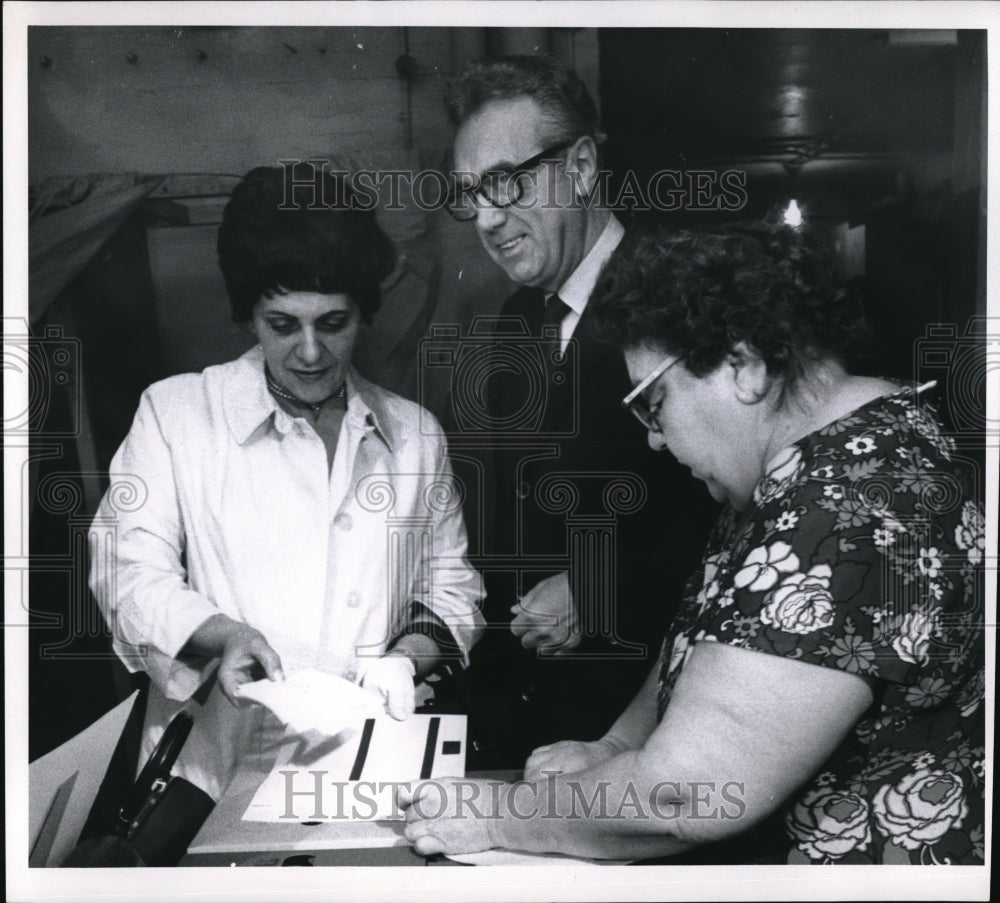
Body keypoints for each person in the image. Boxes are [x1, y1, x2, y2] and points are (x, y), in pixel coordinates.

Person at [399, 223, 986, 865]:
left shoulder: (848, 507)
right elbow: (712, 645)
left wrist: (496, 815)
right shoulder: (806, 462)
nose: (654, 439)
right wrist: (617, 749)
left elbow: (689, 795)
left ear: (744, 366)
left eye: (655, 402)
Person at [90, 166, 484, 802]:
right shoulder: (177, 415)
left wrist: (405, 657)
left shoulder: (414, 435)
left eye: (333, 323)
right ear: (247, 316)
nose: (309, 352)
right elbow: (127, 573)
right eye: (282, 324)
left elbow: (451, 586)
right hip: (213, 772)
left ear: (365, 313)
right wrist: (222, 634)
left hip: (368, 768)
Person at [444, 55, 716, 764]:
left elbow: (742, 514)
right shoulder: (515, 320)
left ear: (584, 164)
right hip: (539, 715)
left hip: (662, 725)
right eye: (470, 193)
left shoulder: (681, 296)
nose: (487, 216)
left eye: (506, 182)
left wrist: (598, 588)